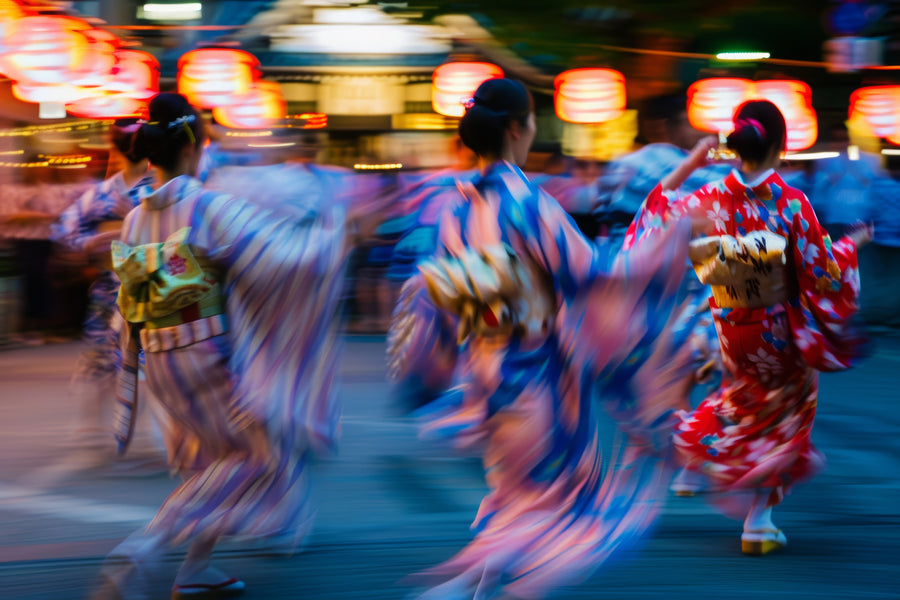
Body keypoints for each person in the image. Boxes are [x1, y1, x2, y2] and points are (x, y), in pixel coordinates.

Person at [389, 78, 697, 599]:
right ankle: (483, 588)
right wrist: (672, 236)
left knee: (516, 499)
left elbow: (447, 298)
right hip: (541, 382)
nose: (533, 131)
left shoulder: (457, 210)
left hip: (487, 375)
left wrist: (430, 370)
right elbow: (598, 275)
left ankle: (473, 585)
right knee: (568, 507)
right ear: (517, 128)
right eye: (532, 122)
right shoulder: (529, 205)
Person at [92, 92, 373, 599]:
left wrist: (128, 367)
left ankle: (196, 567)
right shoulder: (207, 206)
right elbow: (285, 261)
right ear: (194, 146)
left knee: (211, 461)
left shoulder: (135, 219)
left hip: (160, 358)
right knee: (259, 457)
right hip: (205, 355)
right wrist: (335, 236)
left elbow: (130, 298)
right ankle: (147, 545)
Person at [623, 99, 872, 554]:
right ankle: (758, 520)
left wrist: (692, 162)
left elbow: (650, 220)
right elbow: (823, 274)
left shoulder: (708, 198)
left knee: (741, 404)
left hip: (731, 329)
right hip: (778, 335)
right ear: (781, 144)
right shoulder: (792, 204)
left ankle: (689, 447)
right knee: (787, 418)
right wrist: (851, 245)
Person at [48, 119, 159, 468]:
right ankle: (96, 428)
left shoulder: (146, 187)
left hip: (148, 286)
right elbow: (65, 230)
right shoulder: (113, 191)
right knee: (104, 357)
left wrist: (105, 238)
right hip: (115, 287)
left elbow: (65, 229)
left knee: (146, 360)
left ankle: (140, 432)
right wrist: (94, 242)